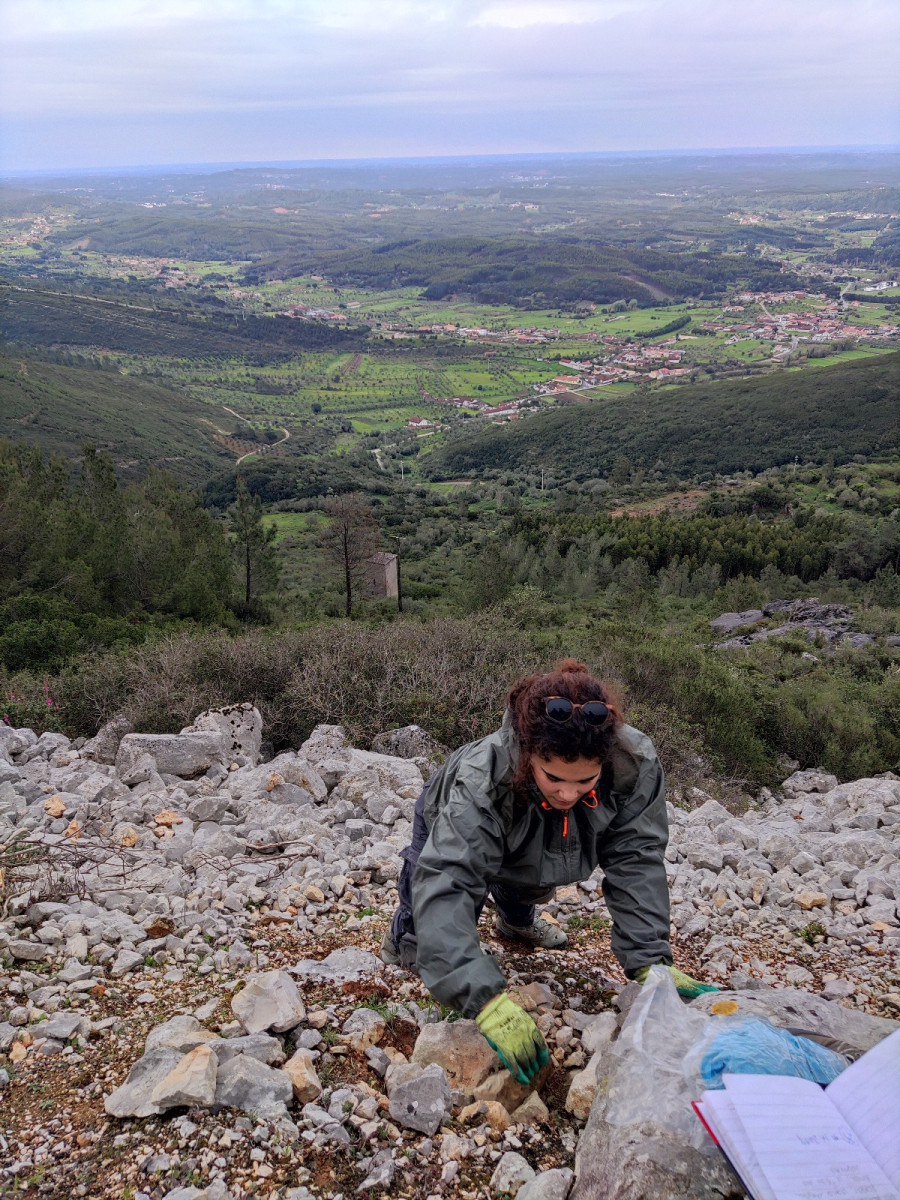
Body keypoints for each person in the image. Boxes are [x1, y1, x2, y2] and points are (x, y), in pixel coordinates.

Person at [381, 658, 716, 1084]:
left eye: (585, 781)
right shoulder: (481, 778)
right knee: (425, 886)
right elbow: (450, 877)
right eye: (555, 776)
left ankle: (515, 921)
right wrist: (481, 998)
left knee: (534, 871)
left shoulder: (634, 765)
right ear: (528, 754)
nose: (569, 792)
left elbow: (636, 857)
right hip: (449, 813)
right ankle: (403, 936)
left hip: (538, 835)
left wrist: (650, 959)